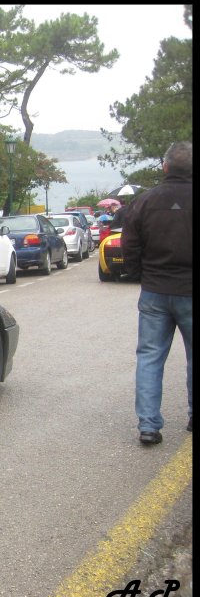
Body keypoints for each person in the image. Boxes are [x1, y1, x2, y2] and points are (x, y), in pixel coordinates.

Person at [122, 141, 192, 445]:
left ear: (165, 167)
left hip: (155, 290)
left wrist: (140, 275)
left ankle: (149, 426)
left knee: (150, 357)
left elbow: (129, 244)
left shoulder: (144, 201)